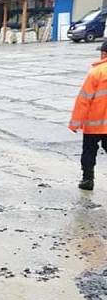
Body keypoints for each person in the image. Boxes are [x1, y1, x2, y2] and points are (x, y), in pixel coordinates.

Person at [69, 40, 107, 190]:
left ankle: (87, 180)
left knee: (89, 153)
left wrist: (75, 122)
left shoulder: (96, 72)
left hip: (94, 124)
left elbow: (84, 100)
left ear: (104, 54)